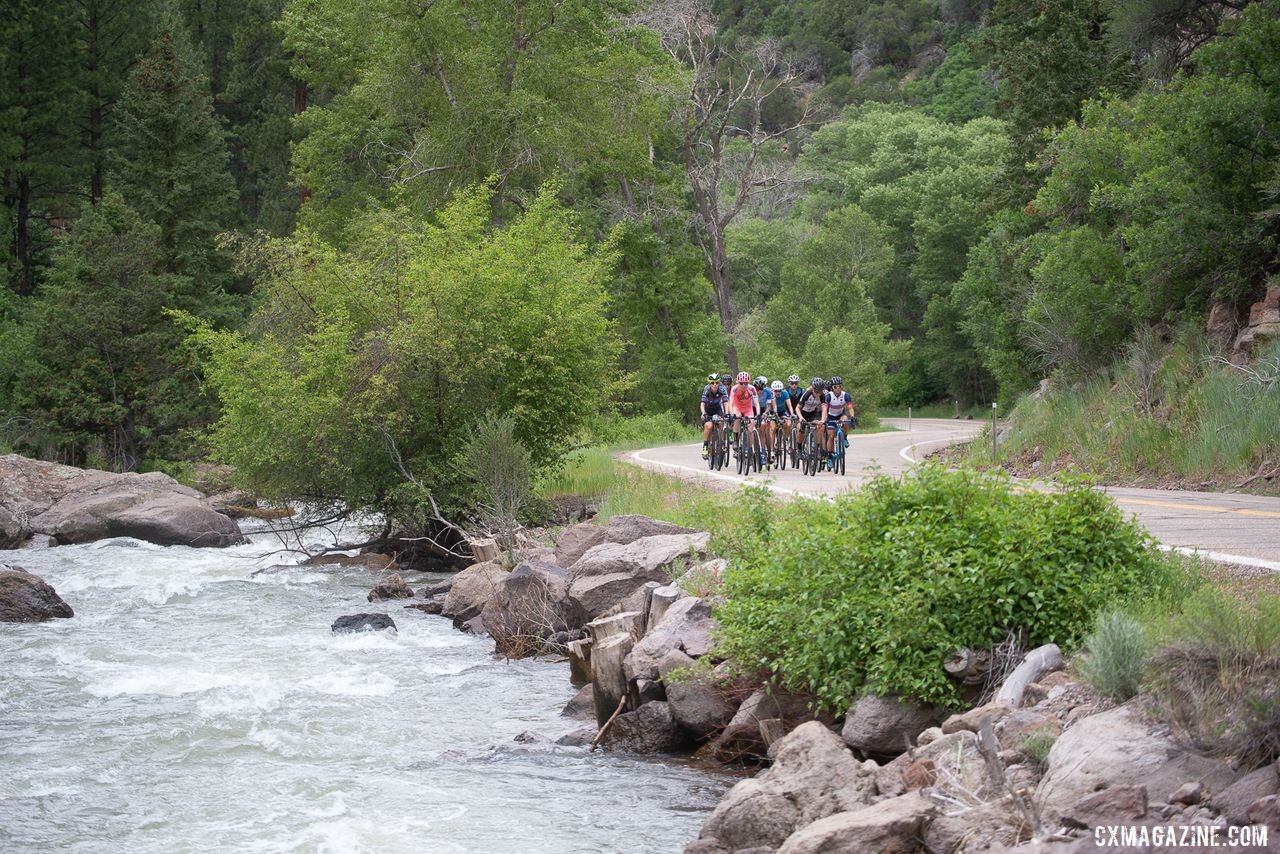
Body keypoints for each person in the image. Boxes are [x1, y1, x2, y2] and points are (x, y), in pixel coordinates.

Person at [794, 377, 827, 459]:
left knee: (820, 426)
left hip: (813, 413)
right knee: (801, 428)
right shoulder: (807, 393)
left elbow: (824, 408)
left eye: (820, 392)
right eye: (816, 392)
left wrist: (823, 419)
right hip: (803, 413)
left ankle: (817, 448)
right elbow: (797, 408)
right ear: (813, 389)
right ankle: (799, 449)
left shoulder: (822, 395)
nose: (818, 394)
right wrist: (801, 418)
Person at [824, 375, 854, 464]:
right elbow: (825, 409)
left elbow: (850, 407)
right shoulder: (829, 396)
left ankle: (844, 438)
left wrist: (852, 417)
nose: (838, 388)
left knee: (846, 419)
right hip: (830, 416)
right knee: (831, 436)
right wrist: (825, 419)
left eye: (840, 386)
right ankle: (829, 456)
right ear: (832, 388)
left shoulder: (846, 395)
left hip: (840, 415)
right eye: (835, 387)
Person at [727, 371, 758, 452]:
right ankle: (736, 439)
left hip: (748, 409)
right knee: (737, 417)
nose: (744, 385)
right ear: (738, 382)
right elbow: (731, 403)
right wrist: (731, 414)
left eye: (746, 383)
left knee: (751, 428)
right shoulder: (734, 388)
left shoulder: (752, 389)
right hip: (737, 407)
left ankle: (750, 449)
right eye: (741, 383)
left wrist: (758, 414)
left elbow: (756, 403)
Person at [700, 373, 728, 459]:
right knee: (709, 426)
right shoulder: (707, 389)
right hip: (708, 410)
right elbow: (702, 403)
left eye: (716, 382)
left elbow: (726, 402)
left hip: (718, 409)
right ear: (710, 383)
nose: (715, 385)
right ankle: (705, 446)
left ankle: (722, 443)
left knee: (721, 423)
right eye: (712, 383)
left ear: (719, 382)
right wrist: (703, 413)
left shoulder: (722, 388)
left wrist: (726, 413)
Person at [753, 376, 773, 466]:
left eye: (761, 389)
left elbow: (769, 406)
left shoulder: (767, 392)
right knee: (750, 425)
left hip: (763, 409)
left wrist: (765, 413)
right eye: (757, 389)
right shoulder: (751, 392)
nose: (759, 391)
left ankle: (763, 452)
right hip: (752, 409)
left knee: (763, 427)